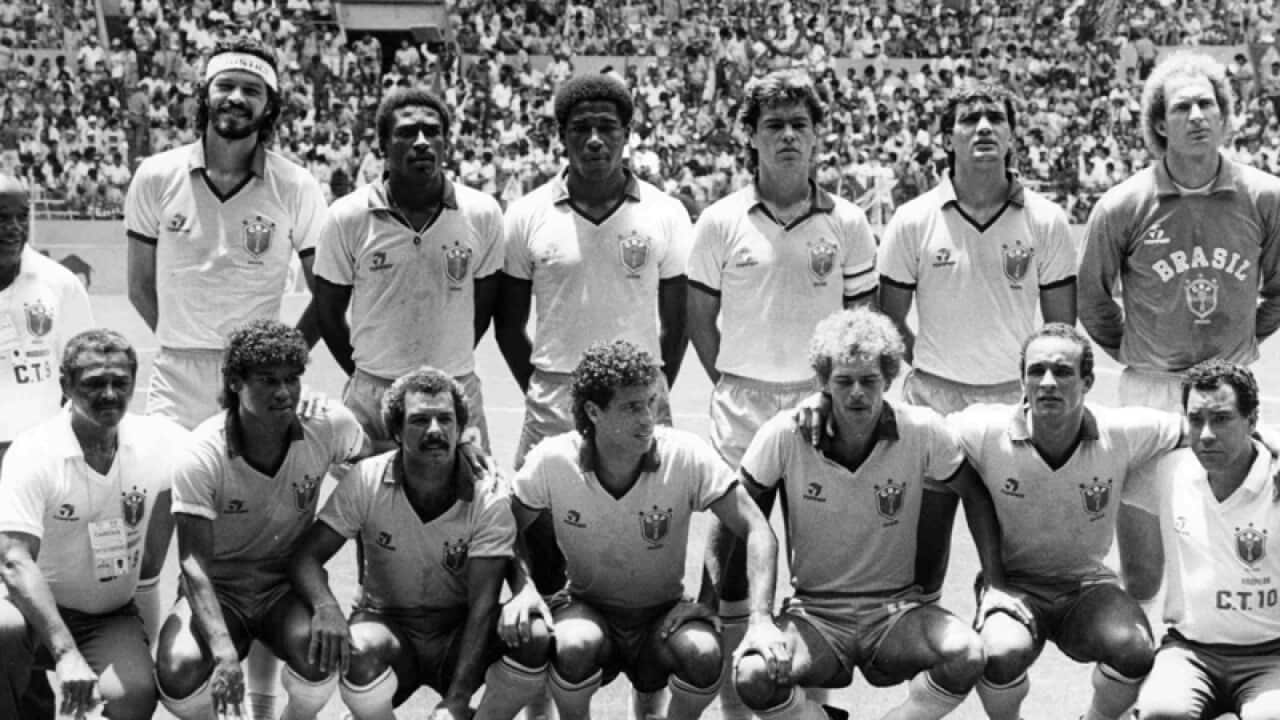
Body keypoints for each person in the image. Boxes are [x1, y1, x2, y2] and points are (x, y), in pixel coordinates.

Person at [685, 69, 878, 720]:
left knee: (816, 567)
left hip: (816, 405)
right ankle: (738, 708)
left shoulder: (847, 222)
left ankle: (813, 706)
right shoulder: (719, 221)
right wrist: (736, 379)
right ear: (751, 137)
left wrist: (826, 394)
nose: (789, 136)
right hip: (741, 403)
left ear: (820, 136)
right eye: (774, 125)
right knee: (731, 565)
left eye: (801, 124)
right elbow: (697, 322)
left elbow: (860, 328)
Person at [1078, 51, 1280, 603]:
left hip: (1230, 392)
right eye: (1182, 106)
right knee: (1144, 568)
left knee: (1234, 548)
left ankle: (1223, 669)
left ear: (1225, 115)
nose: (1197, 116)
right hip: (1151, 391)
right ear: (1159, 124)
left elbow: (1279, 291)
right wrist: (1138, 346)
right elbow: (1092, 296)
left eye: (1207, 104)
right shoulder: (1123, 204)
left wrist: (1241, 345)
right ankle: (1142, 679)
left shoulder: (1265, 196)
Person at [509, 340, 787, 720]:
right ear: (593, 411)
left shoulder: (685, 454)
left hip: (663, 614)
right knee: (573, 646)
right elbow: (504, 529)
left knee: (704, 654)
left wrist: (749, 616)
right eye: (631, 406)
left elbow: (755, 526)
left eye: (651, 402)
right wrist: (523, 589)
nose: (647, 418)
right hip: (587, 609)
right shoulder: (553, 459)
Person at [729, 309, 984, 720]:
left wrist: (999, 582)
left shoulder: (922, 429)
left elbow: (975, 494)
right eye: (843, 382)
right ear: (823, 382)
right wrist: (750, 617)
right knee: (754, 675)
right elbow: (737, 516)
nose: (857, 394)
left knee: (967, 653)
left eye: (870, 381)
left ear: (889, 376)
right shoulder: (784, 433)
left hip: (895, 612)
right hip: (814, 614)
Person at [947, 324, 1184, 720]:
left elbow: (1208, 428)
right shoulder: (984, 429)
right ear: (1021, 379)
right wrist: (820, 408)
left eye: (1063, 372)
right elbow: (914, 431)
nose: (1048, 383)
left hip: (1086, 585)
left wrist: (1273, 449)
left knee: (1136, 649)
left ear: (1088, 381)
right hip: (1014, 587)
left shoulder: (1122, 431)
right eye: (1036, 371)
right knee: (999, 653)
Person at [291, 367, 550, 720]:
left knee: (532, 635)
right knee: (357, 648)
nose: (434, 431)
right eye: (419, 420)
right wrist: (326, 607)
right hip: (389, 625)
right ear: (396, 431)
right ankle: (373, 711)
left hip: (458, 630)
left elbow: (483, 606)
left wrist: (457, 699)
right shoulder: (365, 480)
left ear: (460, 430)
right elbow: (306, 556)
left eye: (445, 420)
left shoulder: (487, 492)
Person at [154, 320, 370, 720]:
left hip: (285, 585)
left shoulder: (328, 424)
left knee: (322, 652)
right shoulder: (201, 453)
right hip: (220, 588)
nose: (284, 392)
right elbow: (193, 565)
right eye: (268, 380)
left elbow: (376, 467)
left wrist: (325, 602)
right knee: (179, 672)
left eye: (292, 379)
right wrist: (223, 655)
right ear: (235, 383)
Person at [125, 36, 330, 432]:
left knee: (254, 492)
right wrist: (182, 341)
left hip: (256, 378)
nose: (236, 97)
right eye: (225, 85)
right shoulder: (155, 175)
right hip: (175, 379)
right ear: (205, 94)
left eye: (251, 89)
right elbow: (138, 286)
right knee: (171, 490)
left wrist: (278, 361)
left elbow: (327, 295)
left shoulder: (296, 185)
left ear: (269, 104)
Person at [495, 73, 692, 471]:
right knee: (537, 522)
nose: (595, 139)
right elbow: (509, 325)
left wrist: (649, 385)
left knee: (645, 515)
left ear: (628, 132)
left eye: (607, 126)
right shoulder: (525, 214)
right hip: (555, 394)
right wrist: (544, 387)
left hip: (639, 391)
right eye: (581, 128)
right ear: (561, 135)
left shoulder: (666, 213)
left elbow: (679, 322)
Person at [0, 330, 186, 720]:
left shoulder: (159, 440)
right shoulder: (34, 452)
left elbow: (221, 446)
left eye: (120, 382)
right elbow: (13, 561)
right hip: (28, 611)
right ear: (65, 384)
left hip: (106, 616)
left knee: (132, 694)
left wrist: (304, 414)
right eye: (94, 383)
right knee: (4, 630)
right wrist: (66, 653)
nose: (109, 394)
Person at [314, 87, 502, 453]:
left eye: (432, 132)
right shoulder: (347, 216)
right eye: (406, 132)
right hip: (373, 392)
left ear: (447, 144)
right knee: (370, 503)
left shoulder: (482, 212)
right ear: (382, 146)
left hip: (454, 388)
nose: (421, 142)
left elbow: (483, 307)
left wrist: (443, 365)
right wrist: (367, 370)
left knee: (469, 501)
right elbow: (328, 312)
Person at [878, 83, 1077, 415]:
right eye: (970, 119)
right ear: (946, 140)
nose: (984, 127)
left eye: (996, 118)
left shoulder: (1047, 219)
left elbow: (1060, 326)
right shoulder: (911, 219)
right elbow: (890, 317)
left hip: (1014, 397)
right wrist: (932, 364)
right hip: (932, 397)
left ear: (1011, 135)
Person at [1126, 361, 1280, 720]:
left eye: (1222, 418)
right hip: (1190, 651)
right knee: (1162, 712)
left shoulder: (1275, 481)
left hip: (1271, 655)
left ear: (1253, 420)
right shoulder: (1168, 470)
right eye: (1196, 420)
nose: (1207, 434)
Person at [0, 173, 93, 467]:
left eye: (22, 217)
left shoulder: (60, 284)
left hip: (37, 454)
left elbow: (83, 372)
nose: (14, 228)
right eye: (2, 218)